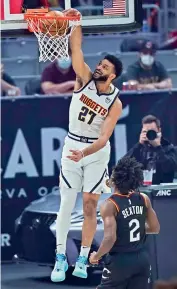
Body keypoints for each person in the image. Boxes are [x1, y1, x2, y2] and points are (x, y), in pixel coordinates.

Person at [51, 8, 123, 282]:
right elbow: (77, 48)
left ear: (113, 75)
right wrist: (76, 21)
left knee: (90, 205)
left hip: (94, 151)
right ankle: (59, 257)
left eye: (105, 67)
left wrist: (85, 153)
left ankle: (82, 257)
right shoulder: (83, 79)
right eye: (100, 64)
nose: (99, 67)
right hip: (73, 145)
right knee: (67, 203)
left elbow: (104, 139)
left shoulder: (115, 103)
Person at [89, 156, 160, 289]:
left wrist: (96, 256)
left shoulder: (110, 204)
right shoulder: (144, 198)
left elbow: (110, 238)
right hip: (142, 259)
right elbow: (155, 228)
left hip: (120, 261)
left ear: (115, 180)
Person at [125, 115, 177, 184]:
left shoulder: (169, 148)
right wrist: (139, 145)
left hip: (163, 190)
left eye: (152, 131)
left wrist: (158, 147)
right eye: (145, 131)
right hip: (142, 190)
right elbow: (124, 165)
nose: (149, 134)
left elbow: (169, 168)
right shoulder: (140, 149)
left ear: (159, 130)